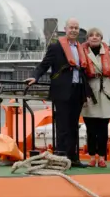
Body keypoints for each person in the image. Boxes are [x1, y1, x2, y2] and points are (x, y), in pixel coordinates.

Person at [25, 18, 91, 168]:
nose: (74, 30)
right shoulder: (56, 47)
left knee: (74, 126)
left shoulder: (81, 48)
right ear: (65, 29)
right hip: (62, 91)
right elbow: (44, 64)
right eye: (71, 27)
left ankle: (73, 158)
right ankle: (61, 159)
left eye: (76, 28)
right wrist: (35, 76)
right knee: (62, 126)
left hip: (77, 90)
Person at [81, 27, 110, 167]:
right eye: (91, 35)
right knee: (90, 128)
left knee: (102, 128)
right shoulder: (82, 53)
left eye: (97, 35)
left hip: (105, 90)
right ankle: (92, 156)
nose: (94, 37)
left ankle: (101, 157)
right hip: (88, 90)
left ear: (101, 38)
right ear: (87, 39)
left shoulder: (108, 54)